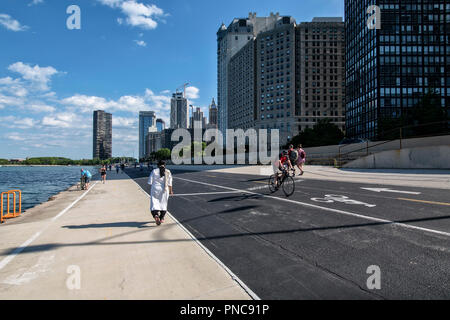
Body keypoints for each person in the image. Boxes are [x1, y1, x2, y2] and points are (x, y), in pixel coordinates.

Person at [148, 160, 173, 226]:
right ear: (164, 165)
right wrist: (170, 191)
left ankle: (156, 215)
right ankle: (161, 218)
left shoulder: (154, 171)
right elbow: (170, 183)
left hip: (155, 189)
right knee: (163, 204)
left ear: (158, 165)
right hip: (165, 189)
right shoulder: (168, 171)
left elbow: (150, 182)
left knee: (154, 204)